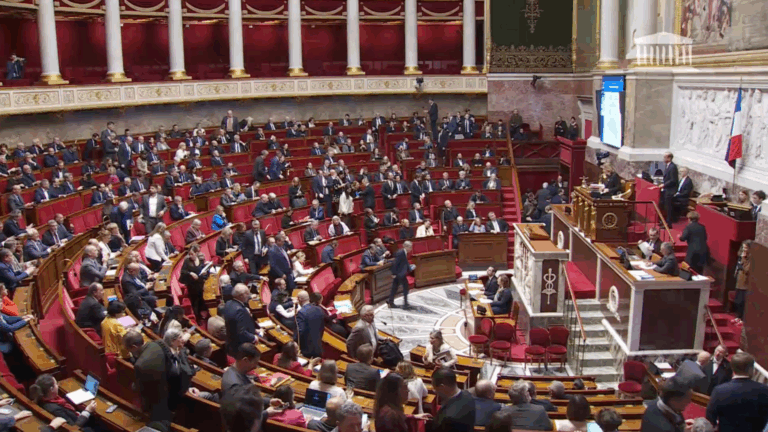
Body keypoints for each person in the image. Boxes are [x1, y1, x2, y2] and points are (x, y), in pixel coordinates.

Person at [134, 328, 197, 426]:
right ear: (172, 341)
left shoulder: (171, 349)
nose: (182, 340)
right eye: (180, 338)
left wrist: (187, 334)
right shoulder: (169, 359)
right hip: (171, 400)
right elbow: (182, 374)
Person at [706, 352, 768, 432]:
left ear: (732, 368)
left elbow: (710, 417)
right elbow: (765, 417)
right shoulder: (764, 390)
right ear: (752, 370)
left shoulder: (719, 390)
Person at [29, 374, 100, 431]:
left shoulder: (43, 399)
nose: (58, 386)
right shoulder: (54, 409)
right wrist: (87, 411)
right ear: (51, 389)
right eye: (56, 384)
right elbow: (74, 426)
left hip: (77, 416)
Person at [430, 367, 476, 432]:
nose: (434, 391)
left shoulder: (447, 418)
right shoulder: (468, 395)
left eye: (435, 388)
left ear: (442, 387)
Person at [389, 241, 413, 309]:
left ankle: (390, 302)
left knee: (394, 288)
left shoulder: (404, 252)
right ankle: (405, 303)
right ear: (406, 247)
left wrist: (410, 268)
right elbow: (395, 263)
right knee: (405, 288)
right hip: (399, 274)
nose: (411, 249)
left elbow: (405, 262)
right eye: (410, 247)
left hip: (400, 273)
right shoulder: (400, 253)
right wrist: (393, 273)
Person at [733, 239, 751, 320]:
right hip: (739, 282)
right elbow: (738, 267)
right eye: (743, 247)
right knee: (737, 301)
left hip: (746, 284)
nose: (744, 250)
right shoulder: (740, 256)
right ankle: (738, 317)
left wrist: (743, 259)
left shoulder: (750, 259)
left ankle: (742, 319)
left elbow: (748, 270)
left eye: (746, 248)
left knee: (742, 302)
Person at [661, 152, 679, 225]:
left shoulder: (672, 167)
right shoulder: (668, 166)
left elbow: (673, 180)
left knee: (668, 207)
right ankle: (664, 221)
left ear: (669, 158)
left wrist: (664, 185)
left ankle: (668, 223)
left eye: (665, 157)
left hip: (670, 191)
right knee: (665, 206)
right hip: (667, 190)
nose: (664, 159)